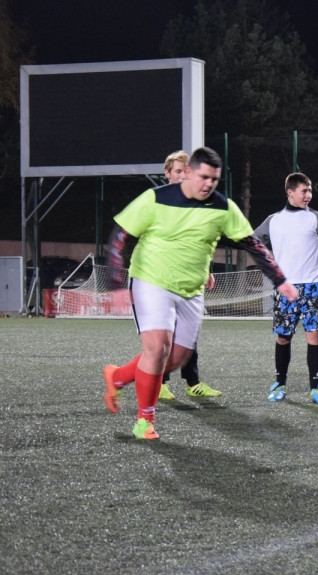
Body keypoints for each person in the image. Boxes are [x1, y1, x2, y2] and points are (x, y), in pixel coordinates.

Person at [102, 147, 296, 440]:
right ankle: (145, 421)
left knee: (174, 360)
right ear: (189, 172)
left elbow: (252, 244)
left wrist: (280, 280)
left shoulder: (223, 207)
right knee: (157, 348)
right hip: (151, 282)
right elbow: (120, 235)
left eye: (214, 179)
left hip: (192, 290)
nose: (208, 184)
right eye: (203, 177)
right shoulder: (156, 198)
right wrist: (116, 284)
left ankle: (117, 377)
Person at [253, 172, 318, 404]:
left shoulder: (316, 218)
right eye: (304, 191)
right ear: (290, 192)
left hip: (312, 286)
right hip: (286, 287)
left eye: (310, 190)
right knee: (283, 337)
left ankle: (315, 387)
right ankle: (279, 383)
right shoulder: (273, 220)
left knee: (313, 335)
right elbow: (253, 243)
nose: (309, 195)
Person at [157, 150, 222, 401]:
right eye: (177, 171)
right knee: (165, 334)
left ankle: (192, 383)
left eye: (186, 172)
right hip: (162, 278)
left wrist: (207, 270)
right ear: (167, 174)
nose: (182, 176)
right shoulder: (158, 202)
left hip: (189, 279)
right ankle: (159, 383)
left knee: (189, 331)